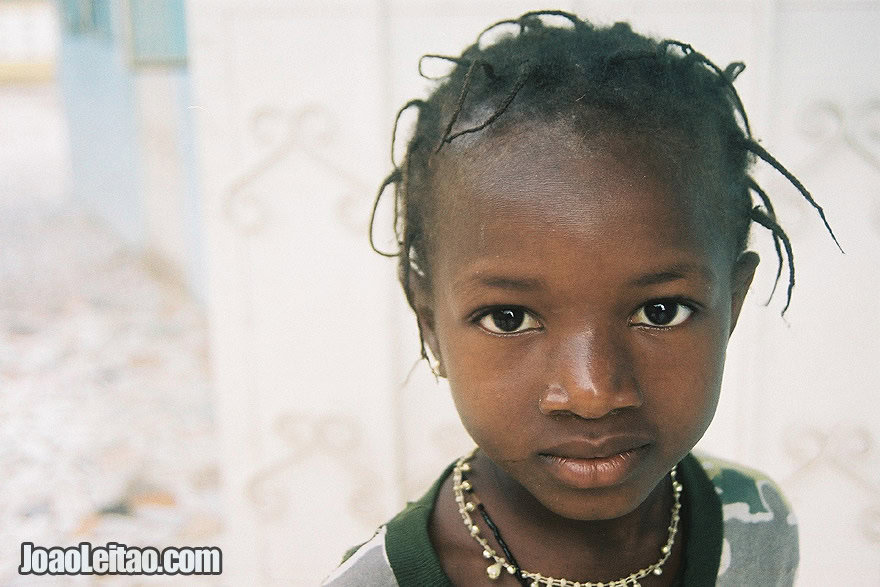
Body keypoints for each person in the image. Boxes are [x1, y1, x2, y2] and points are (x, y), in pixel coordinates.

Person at [324, 10, 839, 587]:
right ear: (429, 324)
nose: (592, 393)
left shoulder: (757, 525)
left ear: (733, 304)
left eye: (660, 312)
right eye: (509, 318)